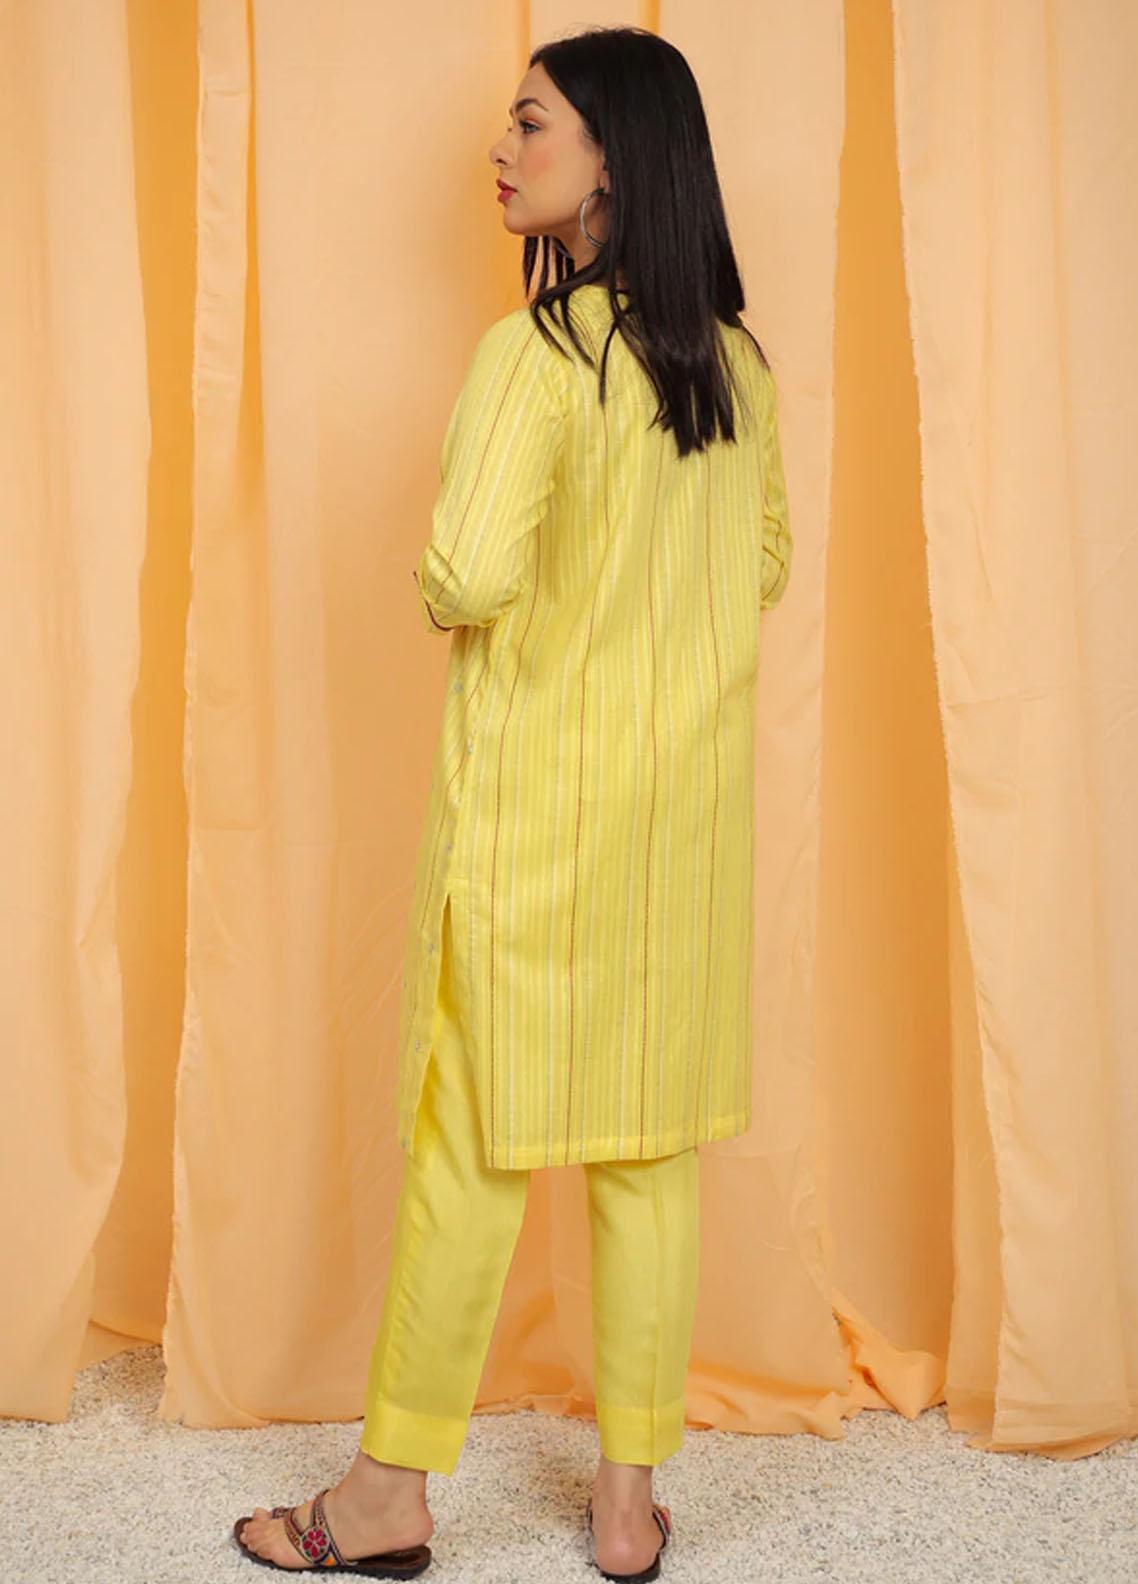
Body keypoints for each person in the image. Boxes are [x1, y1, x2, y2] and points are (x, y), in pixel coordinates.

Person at [234, 23, 792, 1582]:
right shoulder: (735, 366)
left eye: (531, 122)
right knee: (648, 1157)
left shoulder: (535, 358)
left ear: (611, 161)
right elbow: (758, 564)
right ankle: (625, 1509)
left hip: (537, 819)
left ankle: (384, 1498)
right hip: (680, 835)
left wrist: (495, 592)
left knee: (467, 1150)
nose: (501, 146)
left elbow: (465, 576)